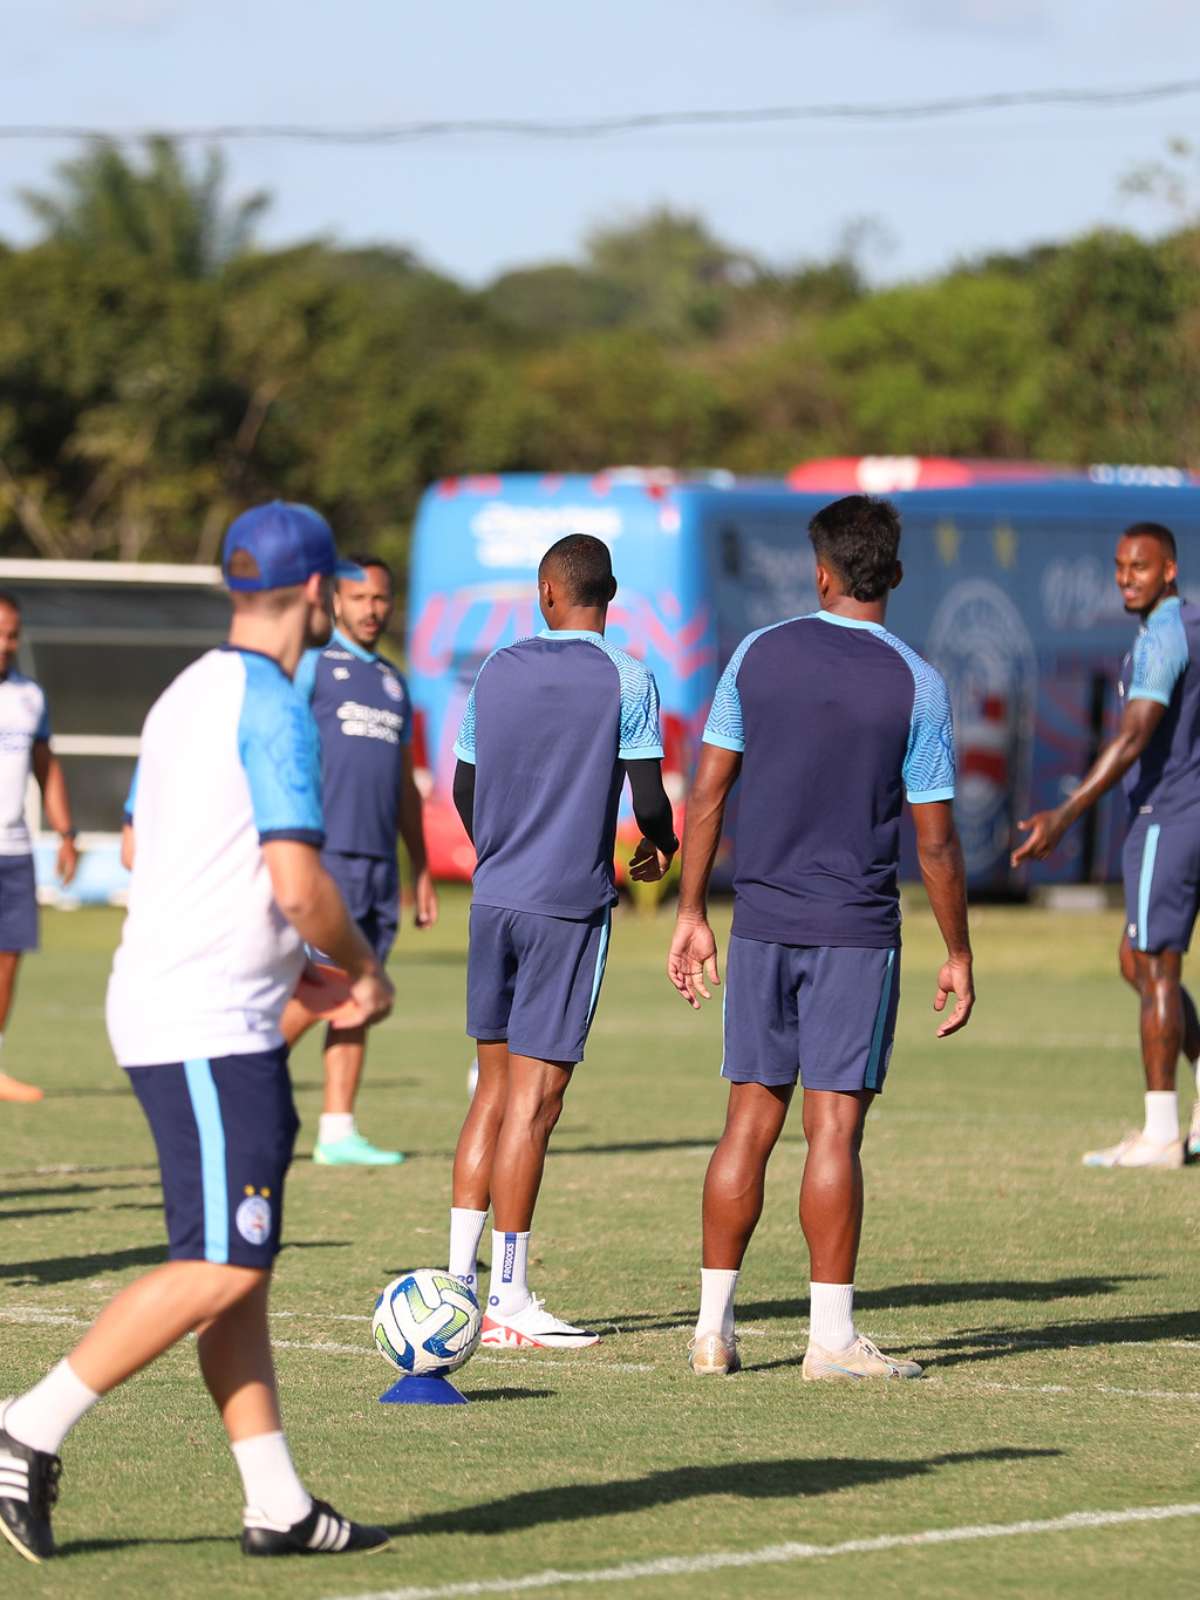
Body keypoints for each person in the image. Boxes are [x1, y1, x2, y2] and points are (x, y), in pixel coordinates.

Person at [0, 502, 395, 1564]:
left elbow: (153, 839)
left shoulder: (185, 691)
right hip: (210, 1019)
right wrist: (360, 968)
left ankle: (277, 1501)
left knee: (238, 1267)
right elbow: (300, 885)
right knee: (224, 1264)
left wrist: (297, 962)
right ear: (317, 594)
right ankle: (25, 1427)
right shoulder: (272, 704)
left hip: (182, 1004)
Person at [668, 494, 974, 1380]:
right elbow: (936, 841)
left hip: (761, 922)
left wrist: (691, 914)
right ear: (897, 575)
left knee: (746, 1125)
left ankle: (712, 1331)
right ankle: (830, 1342)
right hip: (854, 931)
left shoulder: (758, 654)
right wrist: (958, 952)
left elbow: (708, 796)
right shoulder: (917, 681)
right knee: (832, 1132)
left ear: (822, 573)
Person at [447, 533, 678, 1350]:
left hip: (493, 899)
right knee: (536, 1107)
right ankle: (508, 1297)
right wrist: (664, 847)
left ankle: (457, 1286)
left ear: (547, 592)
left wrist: (501, 855)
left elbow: (464, 786)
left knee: (491, 1092)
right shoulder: (629, 676)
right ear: (605, 597)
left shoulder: (497, 668)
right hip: (566, 911)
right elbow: (648, 798)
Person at [1013, 521, 1200, 1168]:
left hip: (1167, 816)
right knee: (1136, 960)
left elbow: (1133, 737)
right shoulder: (1183, 626)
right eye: (1120, 566)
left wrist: (1065, 816)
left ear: (1169, 571)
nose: (1127, 577)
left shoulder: (1163, 637)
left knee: (1155, 968)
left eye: (1141, 567)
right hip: (1177, 816)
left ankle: (1160, 1134)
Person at [281, 554, 437, 1165]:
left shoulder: (395, 683)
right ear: (336, 603)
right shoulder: (312, 668)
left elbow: (403, 787)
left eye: (382, 598)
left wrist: (419, 868)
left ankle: (337, 1129)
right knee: (324, 989)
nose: (373, 609)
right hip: (325, 859)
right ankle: (239, 1088)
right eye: (361, 598)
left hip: (376, 865)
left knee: (358, 998)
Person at [0, 592, 78, 1104]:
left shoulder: (29, 696)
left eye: (11, 634)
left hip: (14, 848)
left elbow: (46, 768)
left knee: (8, 958)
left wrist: (66, 833)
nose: (5, 644)